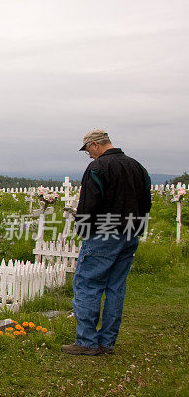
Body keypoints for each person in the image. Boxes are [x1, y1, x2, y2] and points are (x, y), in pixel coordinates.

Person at [62, 129, 151, 356]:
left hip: (102, 234)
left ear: (95, 145)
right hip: (130, 233)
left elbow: (89, 204)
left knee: (87, 285)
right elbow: (146, 203)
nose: (89, 156)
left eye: (88, 151)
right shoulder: (137, 167)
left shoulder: (98, 168)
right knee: (115, 288)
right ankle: (107, 342)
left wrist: (83, 230)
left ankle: (87, 341)